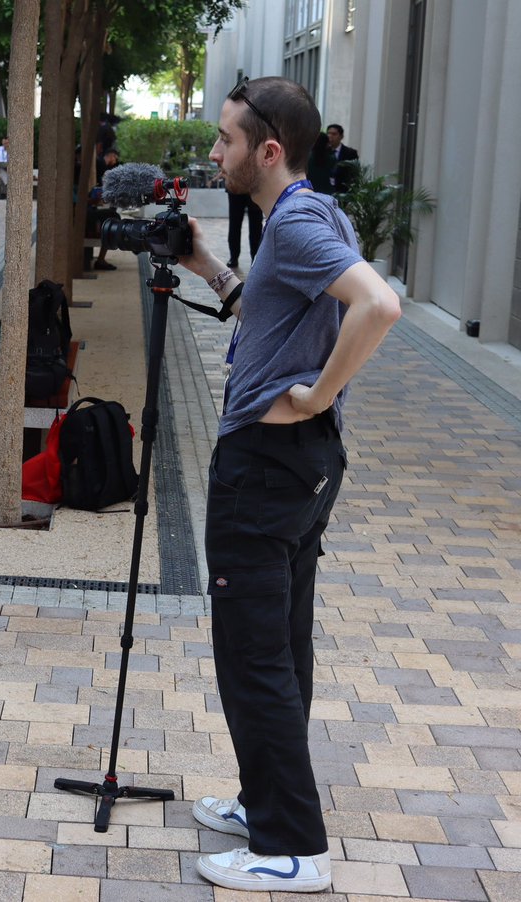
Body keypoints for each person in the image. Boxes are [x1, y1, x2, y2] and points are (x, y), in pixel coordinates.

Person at [178, 75, 400, 893]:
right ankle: (261, 800)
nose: (215, 152)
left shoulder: (299, 221)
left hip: (268, 470)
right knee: (280, 646)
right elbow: (276, 322)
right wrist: (207, 266)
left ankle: (292, 846)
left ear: (268, 151)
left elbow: (380, 305)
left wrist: (318, 394)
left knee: (253, 655)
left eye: (226, 140)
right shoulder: (309, 214)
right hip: (298, 470)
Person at [225, 188, 263, 268]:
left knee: (256, 227)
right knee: (234, 224)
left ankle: (255, 258)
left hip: (254, 186)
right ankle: (234, 257)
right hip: (236, 187)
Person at [324, 123, 359, 194]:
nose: (330, 136)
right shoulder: (323, 152)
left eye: (334, 134)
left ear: (341, 136)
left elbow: (354, 174)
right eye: (328, 133)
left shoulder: (350, 153)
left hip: (343, 192)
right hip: (325, 190)